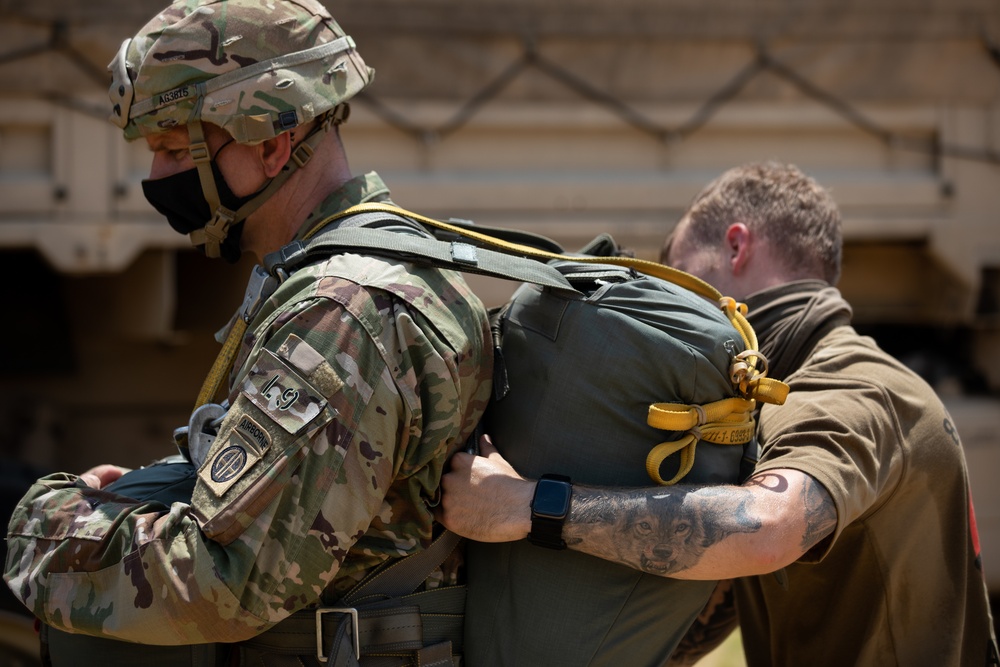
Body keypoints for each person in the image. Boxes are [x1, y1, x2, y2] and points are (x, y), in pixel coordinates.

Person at [4, 0, 492, 664]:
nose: (157, 178)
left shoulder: (340, 311)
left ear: (271, 143)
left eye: (177, 148)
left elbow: (227, 581)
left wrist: (46, 527)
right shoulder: (363, 274)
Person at [439, 161, 999, 666]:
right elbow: (711, 593)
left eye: (680, 272)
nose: (675, 300)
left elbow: (765, 529)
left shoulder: (855, 386)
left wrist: (528, 505)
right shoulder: (769, 400)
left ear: (736, 247)